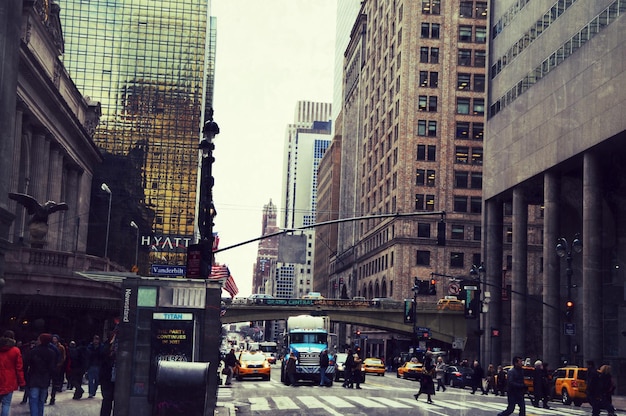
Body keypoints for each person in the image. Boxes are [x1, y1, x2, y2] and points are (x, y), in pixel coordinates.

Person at [24, 333, 56, 416]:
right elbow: (52, 368)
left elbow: (26, 364)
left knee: (33, 400)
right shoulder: (51, 353)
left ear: (41, 341)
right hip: (45, 379)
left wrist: (26, 377)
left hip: (34, 378)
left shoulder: (33, 351)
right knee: (41, 401)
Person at [0, 330, 26, 416]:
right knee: (6, 404)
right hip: (9, 380)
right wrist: (22, 382)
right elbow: (19, 368)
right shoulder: (15, 350)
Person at [99, 329, 117, 416]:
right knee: (107, 399)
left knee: (113, 400)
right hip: (107, 377)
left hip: (114, 377)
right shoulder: (106, 346)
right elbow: (104, 356)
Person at [48, 334, 66, 405]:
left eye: (55, 338)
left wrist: (59, 364)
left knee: (54, 383)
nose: (54, 340)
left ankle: (53, 397)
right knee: (47, 382)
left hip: (56, 367)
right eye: (53, 338)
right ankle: (45, 397)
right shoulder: (49, 346)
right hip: (50, 366)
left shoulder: (61, 347)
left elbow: (63, 356)